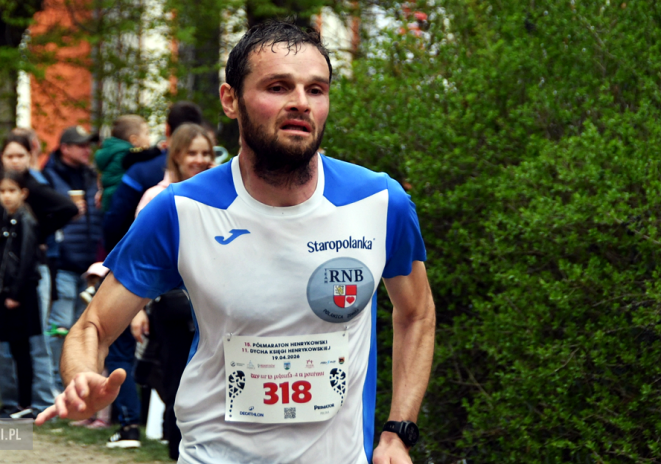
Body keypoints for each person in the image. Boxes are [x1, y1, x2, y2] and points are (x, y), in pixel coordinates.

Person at [37, 20, 435, 464]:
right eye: (278, 87)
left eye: (316, 90)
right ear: (231, 100)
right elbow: (93, 326)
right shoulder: (180, 211)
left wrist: (398, 431)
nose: (300, 103)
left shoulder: (380, 202)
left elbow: (416, 313)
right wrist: (81, 378)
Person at [130, 123, 215, 458]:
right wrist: (138, 309)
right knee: (176, 383)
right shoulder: (157, 197)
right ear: (177, 155)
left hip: (211, 306)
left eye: (206, 153)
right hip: (174, 306)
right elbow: (139, 261)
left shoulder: (219, 196)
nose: (199, 159)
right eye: (192, 152)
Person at [0, 132, 78, 419]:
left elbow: (68, 208)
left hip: (30, 275)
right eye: (9, 156)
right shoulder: (4, 188)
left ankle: (38, 402)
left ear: (30, 157)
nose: (14, 161)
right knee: (4, 342)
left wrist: (40, 232)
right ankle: (13, 401)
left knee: (34, 340)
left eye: (20, 156)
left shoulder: (34, 188)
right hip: (9, 277)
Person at [42, 125, 102, 391]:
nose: (87, 150)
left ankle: (74, 385)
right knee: (60, 327)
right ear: (65, 148)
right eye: (81, 145)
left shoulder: (90, 175)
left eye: (88, 145)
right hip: (64, 264)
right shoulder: (49, 178)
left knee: (82, 330)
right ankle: (55, 385)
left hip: (89, 265)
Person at [102, 101, 204, 253]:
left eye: (204, 154)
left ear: (167, 129)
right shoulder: (213, 176)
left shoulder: (142, 170)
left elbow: (116, 220)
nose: (198, 161)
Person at [0, 170, 43, 421]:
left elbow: (27, 259)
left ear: (23, 193)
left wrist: (16, 293)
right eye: (2, 191)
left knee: (22, 349)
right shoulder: (6, 219)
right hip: (5, 291)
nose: (6, 197)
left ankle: (25, 404)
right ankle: (12, 403)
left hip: (19, 294)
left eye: (11, 191)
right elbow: (3, 255)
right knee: (8, 347)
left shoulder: (26, 221)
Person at [95, 115, 150, 212]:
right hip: (118, 200)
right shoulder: (126, 153)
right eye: (147, 134)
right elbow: (144, 155)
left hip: (109, 199)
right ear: (134, 140)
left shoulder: (113, 151)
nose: (149, 139)